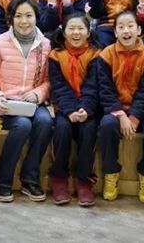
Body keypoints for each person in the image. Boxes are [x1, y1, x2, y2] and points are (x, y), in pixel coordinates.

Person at [0, 0, 53, 203]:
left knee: (45, 121)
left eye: (29, 16)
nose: (24, 21)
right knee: (22, 125)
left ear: (36, 18)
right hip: (7, 104)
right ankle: (3, 181)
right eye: (19, 16)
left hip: (33, 102)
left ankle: (29, 178)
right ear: (11, 19)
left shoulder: (46, 45)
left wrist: (38, 94)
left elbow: (50, 81)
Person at [98, 11, 144, 204]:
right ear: (115, 32)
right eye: (121, 27)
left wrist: (134, 117)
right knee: (107, 125)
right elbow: (105, 90)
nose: (126, 31)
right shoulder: (106, 55)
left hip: (142, 110)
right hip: (115, 109)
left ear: (139, 30)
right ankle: (110, 175)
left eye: (130, 26)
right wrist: (121, 115)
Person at [47, 12, 100, 207]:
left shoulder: (96, 54)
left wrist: (85, 108)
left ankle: (84, 180)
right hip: (65, 107)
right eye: (71, 28)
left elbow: (94, 86)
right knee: (61, 128)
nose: (76, 33)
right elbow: (58, 87)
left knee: (89, 128)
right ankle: (59, 178)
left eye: (80, 28)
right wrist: (70, 111)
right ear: (64, 32)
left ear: (88, 32)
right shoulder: (55, 55)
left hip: (88, 107)